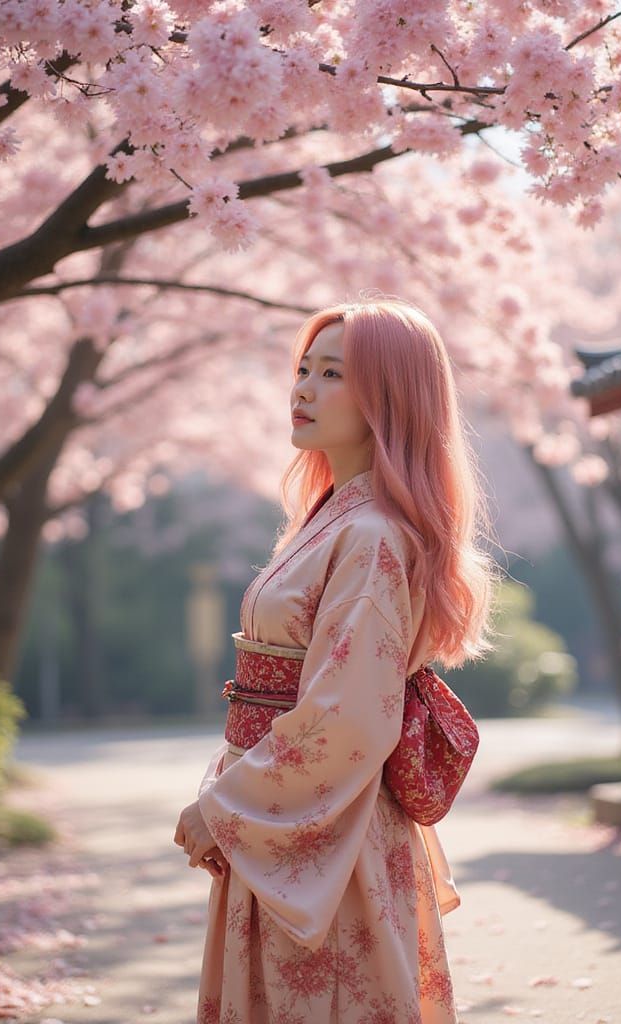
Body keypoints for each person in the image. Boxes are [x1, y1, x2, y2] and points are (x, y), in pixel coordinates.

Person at [174, 298, 501, 1023]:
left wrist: (223, 807)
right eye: (302, 369)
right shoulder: (335, 518)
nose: (302, 389)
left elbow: (348, 716)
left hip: (331, 837)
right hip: (287, 819)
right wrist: (228, 795)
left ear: (387, 396)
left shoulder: (375, 534)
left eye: (332, 374)